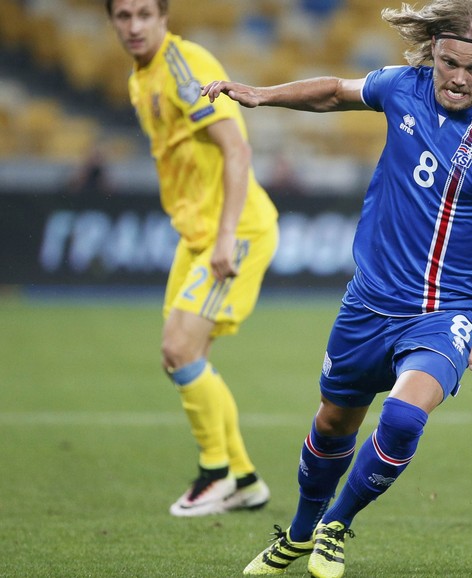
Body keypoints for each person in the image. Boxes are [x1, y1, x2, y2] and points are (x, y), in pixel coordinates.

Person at [202, 1, 472, 576]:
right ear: (433, 52)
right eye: (449, 64)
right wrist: (263, 95)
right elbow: (333, 93)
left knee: (402, 417)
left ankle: (336, 525)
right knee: (332, 423)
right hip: (369, 303)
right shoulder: (401, 87)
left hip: (448, 313)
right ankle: (297, 535)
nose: (459, 79)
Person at [107, 0, 277, 516]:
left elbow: (237, 149)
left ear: (164, 17)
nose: (133, 26)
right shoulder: (141, 78)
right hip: (197, 234)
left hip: (235, 230)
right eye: (122, 16)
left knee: (180, 348)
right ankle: (244, 479)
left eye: (143, 14)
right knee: (182, 356)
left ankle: (216, 473)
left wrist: (225, 236)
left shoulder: (186, 67)